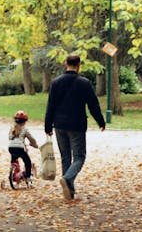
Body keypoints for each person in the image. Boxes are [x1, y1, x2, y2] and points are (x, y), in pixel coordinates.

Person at [44, 55, 105, 200]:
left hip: (59, 124)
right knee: (79, 157)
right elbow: (93, 105)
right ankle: (67, 179)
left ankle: (69, 191)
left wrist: (48, 125)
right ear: (79, 65)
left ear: (66, 64)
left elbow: (51, 105)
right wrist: (100, 121)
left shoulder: (56, 82)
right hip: (77, 125)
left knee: (65, 157)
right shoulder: (84, 83)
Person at [8, 110, 38, 187]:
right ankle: (28, 177)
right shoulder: (25, 129)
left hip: (11, 147)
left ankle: (14, 175)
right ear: (24, 122)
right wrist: (35, 145)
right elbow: (31, 139)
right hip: (20, 148)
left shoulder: (12, 128)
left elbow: (10, 137)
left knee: (14, 161)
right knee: (27, 162)